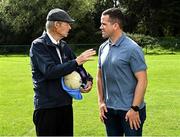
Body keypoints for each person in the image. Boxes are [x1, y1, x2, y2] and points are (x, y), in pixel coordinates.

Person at [30, 8, 96, 136]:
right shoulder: (38, 45)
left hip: (65, 105)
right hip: (47, 107)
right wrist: (77, 61)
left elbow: (78, 67)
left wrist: (87, 80)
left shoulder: (64, 46)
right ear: (57, 25)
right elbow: (49, 71)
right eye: (67, 24)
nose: (70, 27)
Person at [97, 8, 148, 136]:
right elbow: (100, 77)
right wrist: (101, 102)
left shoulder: (132, 48)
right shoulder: (102, 48)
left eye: (104, 24)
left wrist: (134, 108)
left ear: (115, 26)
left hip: (130, 111)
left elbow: (143, 80)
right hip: (110, 110)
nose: (100, 27)